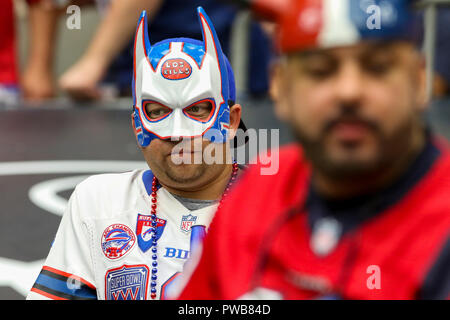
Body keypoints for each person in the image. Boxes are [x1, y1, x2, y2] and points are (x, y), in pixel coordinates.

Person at [178, 0, 450, 300]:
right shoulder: (259, 189)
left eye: (377, 68)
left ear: (419, 80)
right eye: (321, 71)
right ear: (280, 86)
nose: (349, 92)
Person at [26, 7, 246, 300]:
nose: (176, 132)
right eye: (157, 111)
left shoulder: (276, 204)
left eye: (196, 109)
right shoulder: (98, 204)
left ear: (230, 121)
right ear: (136, 125)